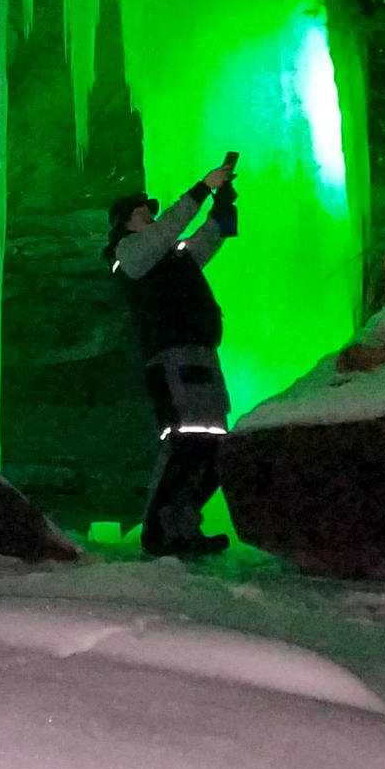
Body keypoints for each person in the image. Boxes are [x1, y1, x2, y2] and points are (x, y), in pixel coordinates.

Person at [104, 156, 239, 557]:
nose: (150, 213)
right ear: (125, 221)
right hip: (172, 358)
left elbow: (212, 237)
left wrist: (224, 203)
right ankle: (158, 530)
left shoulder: (170, 256)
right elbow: (169, 229)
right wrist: (202, 187)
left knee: (212, 445)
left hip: (200, 352)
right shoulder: (129, 253)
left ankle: (183, 526)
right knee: (184, 441)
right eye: (142, 210)